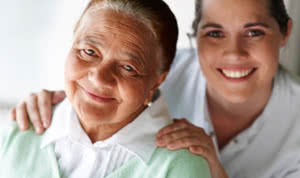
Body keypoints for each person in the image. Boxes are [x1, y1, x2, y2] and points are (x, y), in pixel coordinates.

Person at [9, 0, 300, 178]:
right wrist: (54, 102)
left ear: (285, 32)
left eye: (254, 32)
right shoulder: (21, 135)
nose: (234, 53)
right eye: (214, 33)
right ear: (196, 36)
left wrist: (210, 170)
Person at [0, 0, 212, 178]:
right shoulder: (19, 131)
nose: (100, 79)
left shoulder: (179, 167)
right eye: (89, 51)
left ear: (157, 82)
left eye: (128, 67)